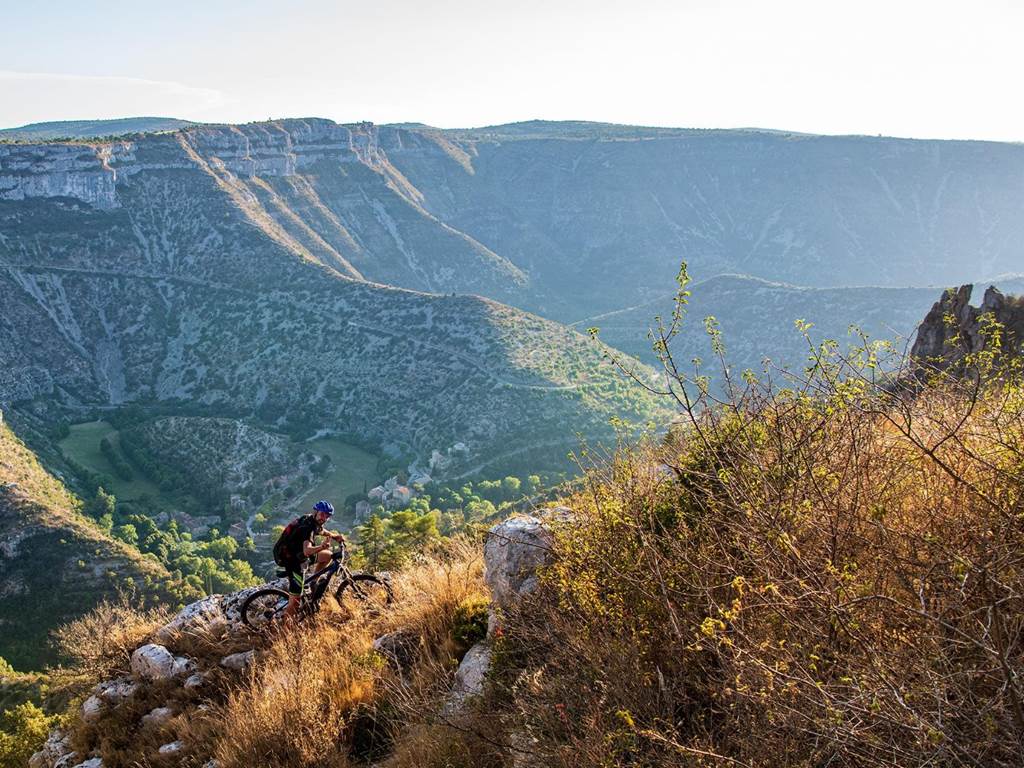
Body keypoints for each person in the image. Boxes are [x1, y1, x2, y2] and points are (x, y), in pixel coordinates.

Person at [272, 500, 345, 623]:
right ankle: (286, 630)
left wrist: (334, 536)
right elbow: (307, 551)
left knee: (328, 556)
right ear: (316, 512)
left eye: (328, 516)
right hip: (292, 561)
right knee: (295, 602)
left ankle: (313, 583)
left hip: (297, 554)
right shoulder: (308, 529)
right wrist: (321, 547)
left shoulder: (310, 519)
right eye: (323, 514)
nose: (325, 518)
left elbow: (321, 531)